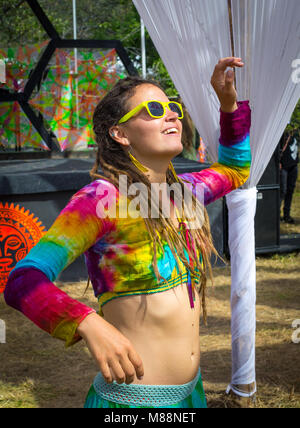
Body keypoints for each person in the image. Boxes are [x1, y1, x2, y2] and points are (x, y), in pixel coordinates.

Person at [4, 57, 251, 409]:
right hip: (131, 405)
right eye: (153, 109)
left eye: (173, 108)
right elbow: (22, 281)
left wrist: (229, 106)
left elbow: (235, 169)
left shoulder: (187, 191)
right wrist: (86, 322)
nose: (172, 115)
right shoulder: (100, 201)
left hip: (191, 396)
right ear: (119, 133)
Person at [279, 128, 299, 224]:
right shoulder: (283, 134)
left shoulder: (296, 133)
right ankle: (276, 214)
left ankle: (286, 215)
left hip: (293, 166)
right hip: (284, 166)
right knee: (283, 190)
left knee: (290, 190)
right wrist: (279, 162)